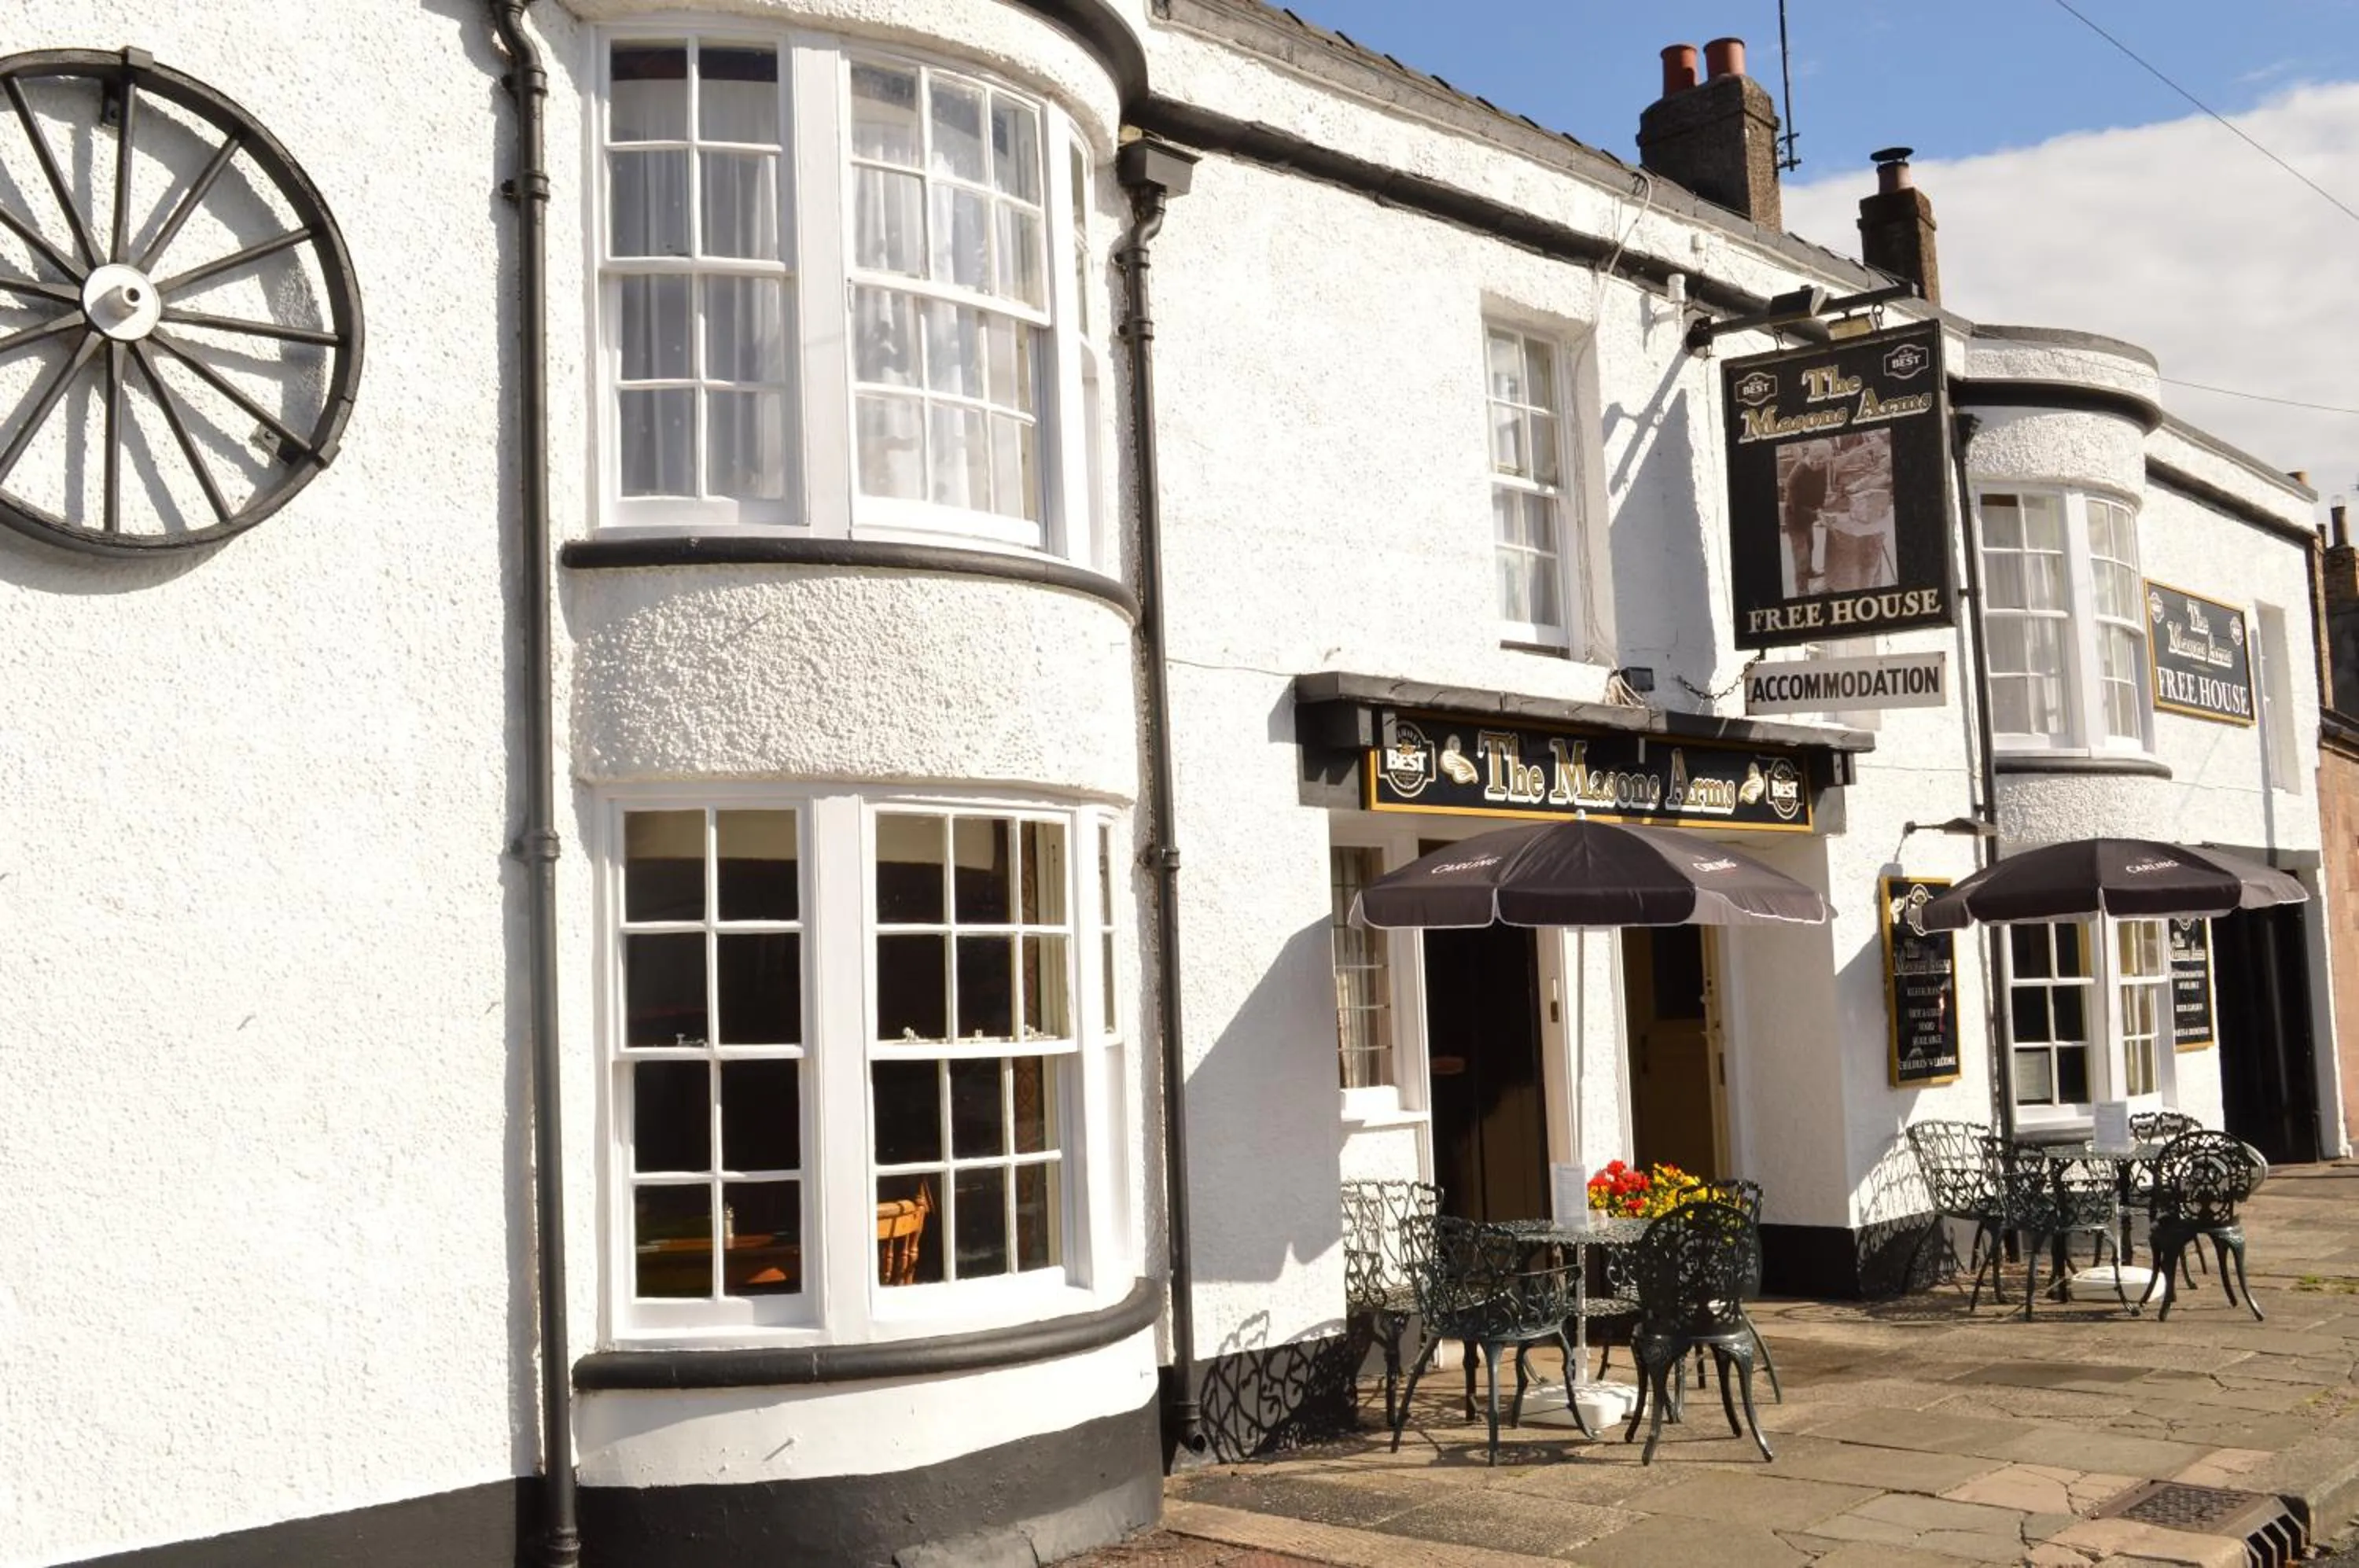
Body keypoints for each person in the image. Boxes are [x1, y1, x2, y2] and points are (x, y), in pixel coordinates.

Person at [1780, 445, 1831, 596]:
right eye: (1820, 464)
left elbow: (1822, 489)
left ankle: (1809, 572)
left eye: (1825, 463)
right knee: (1801, 556)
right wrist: (1816, 515)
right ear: (1813, 459)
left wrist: (1820, 507)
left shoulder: (1822, 467)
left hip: (1809, 515)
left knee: (1810, 545)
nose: (1822, 467)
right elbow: (1795, 507)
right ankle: (1802, 591)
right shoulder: (1796, 476)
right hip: (1795, 519)